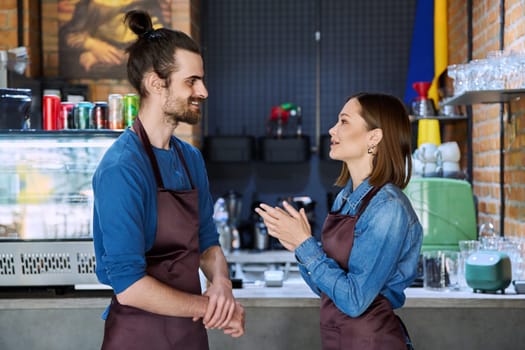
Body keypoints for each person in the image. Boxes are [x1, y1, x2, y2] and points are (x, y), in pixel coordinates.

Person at [92, 10, 244, 349]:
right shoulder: (122, 168)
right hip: (138, 338)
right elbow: (129, 286)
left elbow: (207, 240)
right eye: (192, 81)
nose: (203, 91)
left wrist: (222, 284)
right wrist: (212, 309)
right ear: (155, 83)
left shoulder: (189, 158)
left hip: (188, 336)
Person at [255, 92, 423, 350]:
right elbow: (328, 291)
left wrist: (306, 244)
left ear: (373, 137)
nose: (333, 130)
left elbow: (354, 300)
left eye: (344, 122)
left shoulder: (388, 208)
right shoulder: (346, 198)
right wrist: (298, 248)